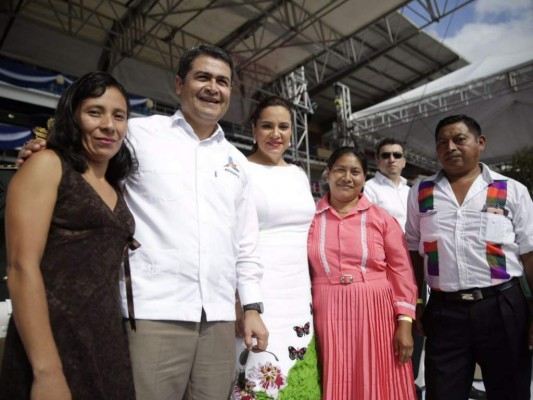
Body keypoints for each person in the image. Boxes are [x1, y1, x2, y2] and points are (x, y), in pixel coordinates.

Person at [16, 45, 268, 400]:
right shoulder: (136, 134)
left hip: (219, 319)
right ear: (179, 85)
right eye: (203, 77)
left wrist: (253, 307)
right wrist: (41, 148)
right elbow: (80, 154)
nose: (214, 87)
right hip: (154, 313)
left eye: (223, 81)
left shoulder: (236, 161)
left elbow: (246, 243)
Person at [0, 71, 137, 399]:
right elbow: (21, 268)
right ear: (72, 117)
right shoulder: (47, 164)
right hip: (52, 340)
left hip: (105, 342)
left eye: (119, 116)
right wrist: (47, 370)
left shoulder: (114, 184)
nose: (109, 125)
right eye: (95, 112)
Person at [405, 114, 533, 400]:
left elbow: (529, 254)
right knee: (442, 393)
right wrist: (417, 302)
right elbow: (413, 251)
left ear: (480, 143)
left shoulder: (511, 190)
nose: (450, 147)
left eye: (459, 139)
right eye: (442, 143)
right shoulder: (421, 192)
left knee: (510, 391)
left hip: (502, 307)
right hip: (444, 312)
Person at [307, 146, 417, 399]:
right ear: (327, 173)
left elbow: (401, 272)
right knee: (336, 378)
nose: (347, 177)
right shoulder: (310, 218)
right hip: (327, 313)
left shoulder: (381, 219)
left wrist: (404, 324)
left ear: (364, 178)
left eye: (355, 172)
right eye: (340, 170)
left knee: (378, 381)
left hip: (376, 312)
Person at [231, 96, 321, 399]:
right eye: (267, 126)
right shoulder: (239, 170)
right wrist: (240, 301)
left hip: (299, 296)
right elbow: (232, 239)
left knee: (300, 379)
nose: (276, 134)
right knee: (258, 379)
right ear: (254, 129)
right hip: (259, 294)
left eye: (283, 127)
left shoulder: (298, 174)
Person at [364, 137, 410, 229]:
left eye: (397, 155)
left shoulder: (409, 190)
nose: (392, 159)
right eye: (385, 155)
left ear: (404, 162)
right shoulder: (368, 188)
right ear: (377, 161)